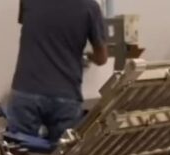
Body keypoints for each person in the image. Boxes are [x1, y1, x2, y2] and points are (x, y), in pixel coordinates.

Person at [7, 0, 108, 144]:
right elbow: (102, 58)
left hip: (26, 89)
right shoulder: (90, 7)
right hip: (66, 95)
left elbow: (33, 26)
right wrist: (86, 56)